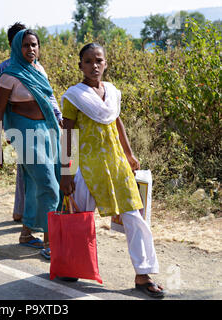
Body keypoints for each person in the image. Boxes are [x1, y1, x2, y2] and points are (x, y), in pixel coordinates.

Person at [60, 43, 165, 298]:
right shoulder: (74, 96)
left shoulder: (113, 93)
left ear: (105, 63)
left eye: (98, 60)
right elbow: (68, 134)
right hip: (86, 167)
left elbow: (117, 122)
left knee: (134, 217)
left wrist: (129, 154)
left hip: (116, 164)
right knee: (81, 219)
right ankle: (73, 265)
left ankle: (143, 274)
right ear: (80, 65)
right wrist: (66, 172)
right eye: (88, 61)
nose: (94, 65)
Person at [0, 29, 61, 260]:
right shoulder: (9, 75)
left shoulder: (39, 70)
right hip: (24, 135)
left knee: (34, 184)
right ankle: (50, 243)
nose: (31, 49)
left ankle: (26, 234)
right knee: (49, 186)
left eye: (34, 45)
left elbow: (49, 101)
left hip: (47, 131)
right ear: (16, 48)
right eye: (25, 45)